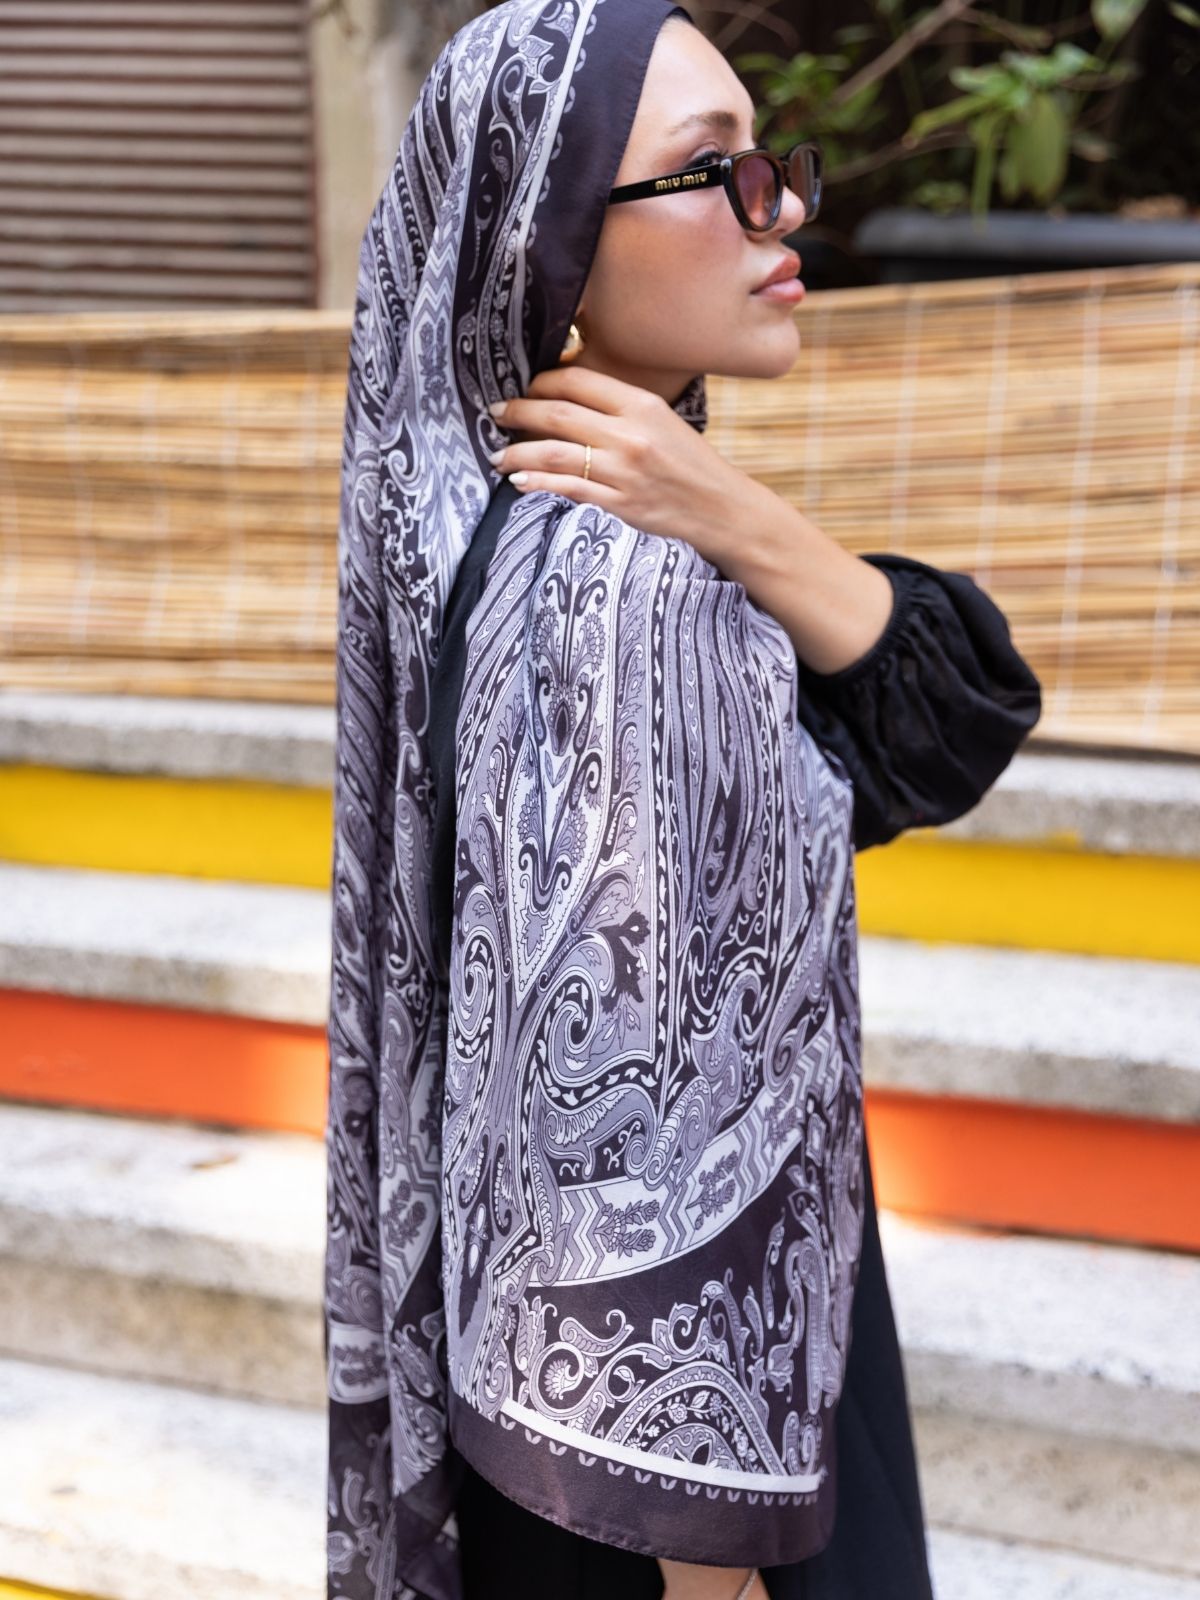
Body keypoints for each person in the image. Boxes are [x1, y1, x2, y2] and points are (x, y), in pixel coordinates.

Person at [323, 3, 1043, 1598]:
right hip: (671, 1482)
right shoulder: (625, 586)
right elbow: (632, 1143)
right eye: (710, 171)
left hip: (558, 1419)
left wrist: (730, 506)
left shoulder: (513, 529)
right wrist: (712, 1577)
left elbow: (930, 731)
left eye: (770, 160)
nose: (779, 211)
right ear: (551, 244)